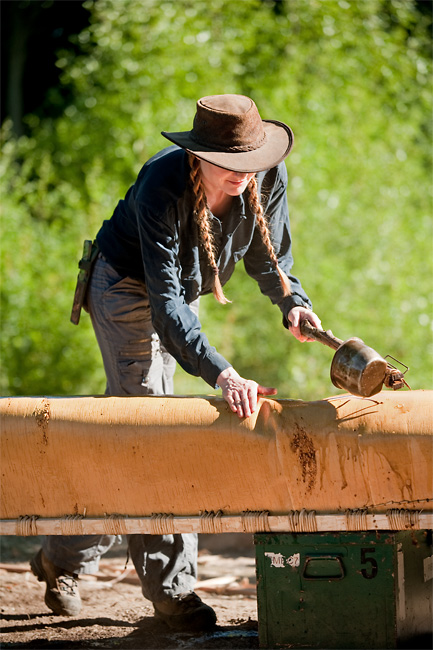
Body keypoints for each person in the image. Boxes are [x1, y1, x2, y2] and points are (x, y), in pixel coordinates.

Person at [30, 94, 322, 631]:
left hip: (180, 296)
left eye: (250, 161)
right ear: (198, 156)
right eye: (228, 162)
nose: (242, 173)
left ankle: (61, 556)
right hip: (124, 285)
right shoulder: (160, 186)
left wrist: (293, 303)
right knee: (152, 429)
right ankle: (174, 592)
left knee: (129, 437)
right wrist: (222, 372)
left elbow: (269, 256)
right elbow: (165, 307)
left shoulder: (266, 175)